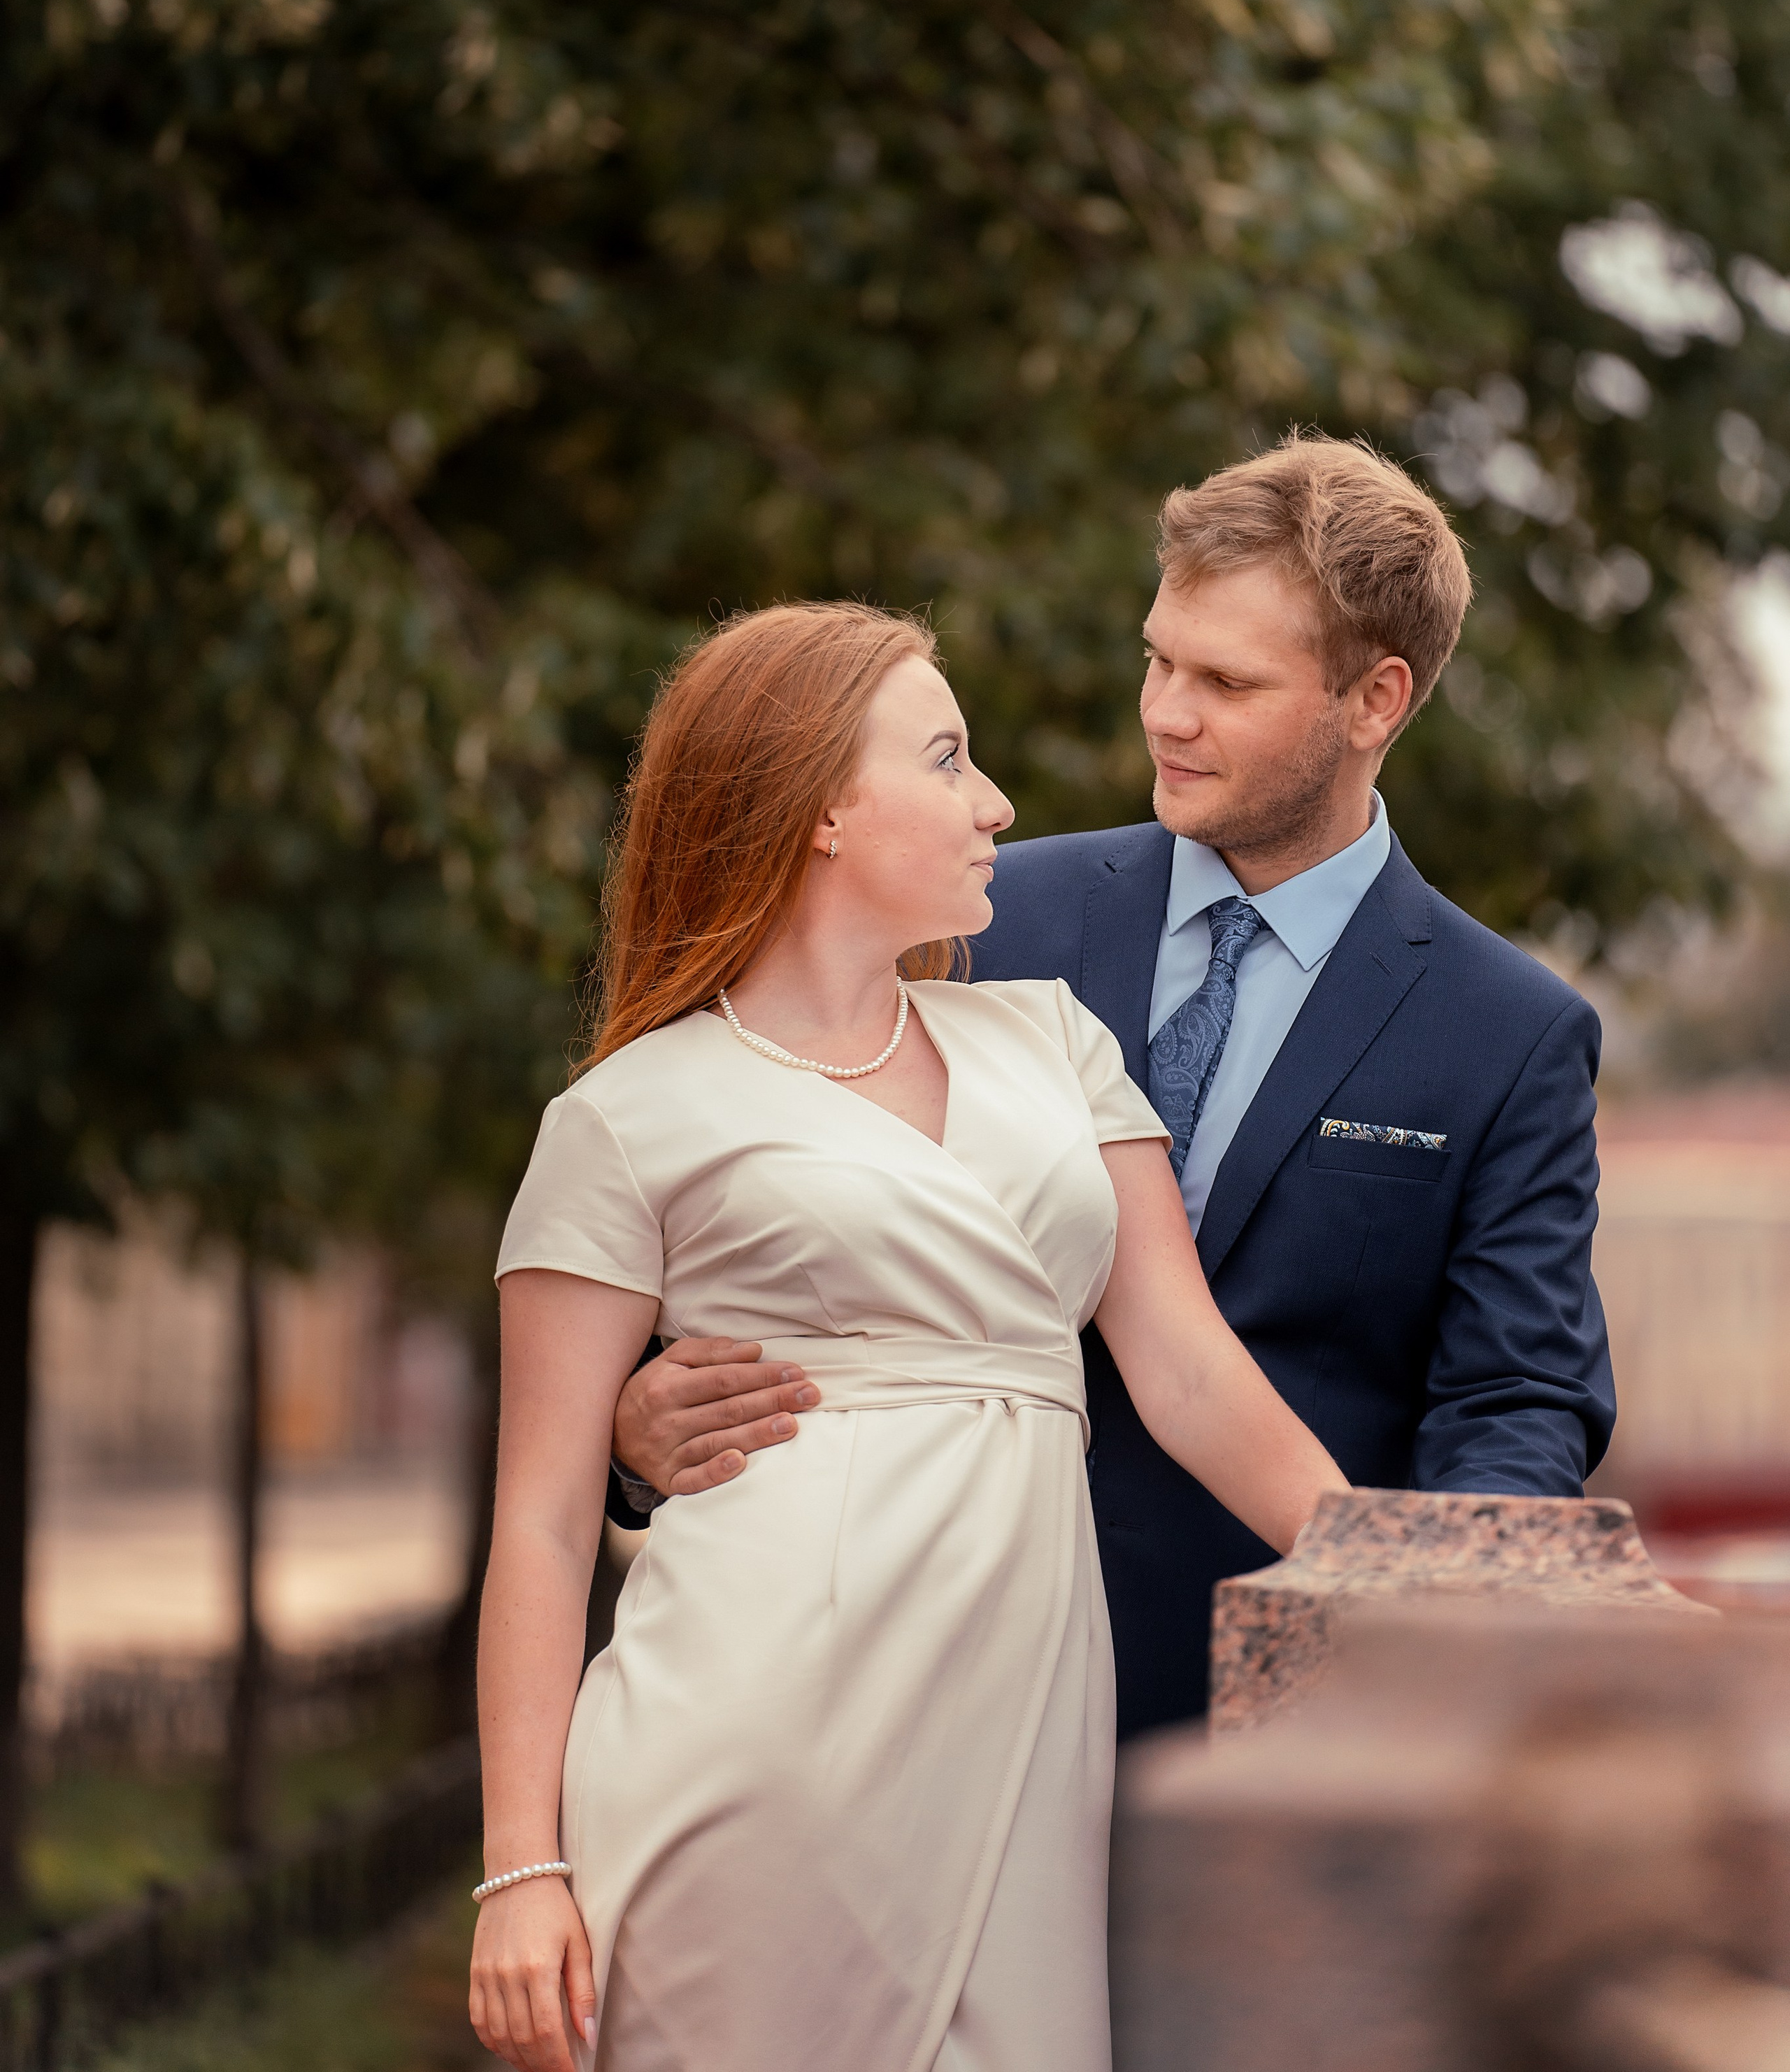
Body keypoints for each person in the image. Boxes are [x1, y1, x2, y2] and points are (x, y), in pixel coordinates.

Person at [606, 437, 1617, 1738]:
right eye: (1159, 658)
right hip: (904, 1692)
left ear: (1376, 699)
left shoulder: (1510, 1034)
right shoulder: (968, 921)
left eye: (1226, 682)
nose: (1166, 713)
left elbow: (1515, 1401)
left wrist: (1450, 1618)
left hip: (1276, 1734)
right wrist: (636, 1430)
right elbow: (729, 1186)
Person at [469, 601, 1346, 2072]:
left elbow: (1190, 1377)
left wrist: (1411, 1573)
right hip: (743, 1740)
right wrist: (520, 1869)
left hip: (1018, 1749)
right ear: (818, 811)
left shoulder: (1053, 1042)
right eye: (945, 760)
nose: (994, 801)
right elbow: (545, 1523)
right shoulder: (621, 1122)